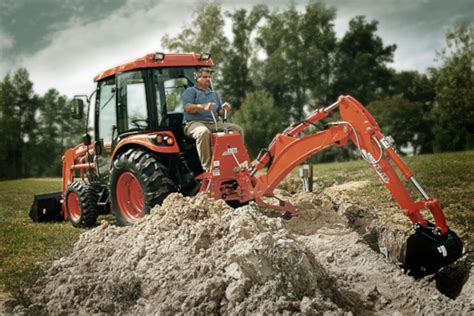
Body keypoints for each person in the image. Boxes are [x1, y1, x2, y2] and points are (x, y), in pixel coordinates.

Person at [182, 67, 244, 171]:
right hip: (194, 123)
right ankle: (207, 167)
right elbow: (187, 108)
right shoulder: (191, 91)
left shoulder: (214, 94)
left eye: (210, 77)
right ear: (197, 78)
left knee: (238, 130)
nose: (208, 79)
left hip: (214, 122)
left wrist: (225, 109)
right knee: (203, 132)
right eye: (205, 77)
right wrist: (203, 106)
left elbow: (220, 112)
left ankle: (237, 161)